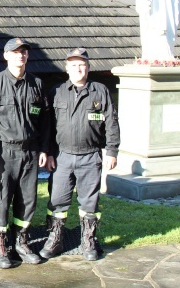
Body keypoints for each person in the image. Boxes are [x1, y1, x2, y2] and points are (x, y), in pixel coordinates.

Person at [40, 48, 120, 261]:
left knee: (89, 202)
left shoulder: (100, 91)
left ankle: (88, 240)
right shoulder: (57, 92)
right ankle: (55, 239)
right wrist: (47, 152)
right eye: (73, 65)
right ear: (67, 68)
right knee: (58, 200)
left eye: (82, 65)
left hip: (90, 156)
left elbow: (112, 122)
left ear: (88, 67)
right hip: (62, 156)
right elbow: (47, 126)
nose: (78, 69)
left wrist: (112, 151)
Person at [0, 38, 50, 269]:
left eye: (23, 52)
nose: (20, 56)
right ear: (6, 56)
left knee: (28, 200)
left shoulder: (37, 85)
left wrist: (44, 148)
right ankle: (0, 246)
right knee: (1, 201)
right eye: (15, 52)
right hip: (4, 153)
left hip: (30, 152)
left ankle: (22, 242)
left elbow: (44, 121)